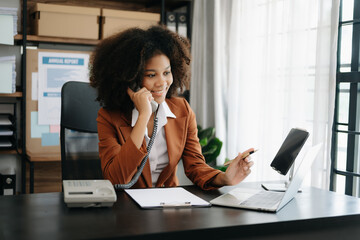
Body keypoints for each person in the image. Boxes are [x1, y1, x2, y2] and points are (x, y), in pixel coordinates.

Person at [90, 25, 254, 190]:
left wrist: (224, 178)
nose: (162, 83)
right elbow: (116, 178)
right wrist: (143, 116)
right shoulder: (108, 117)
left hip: (168, 206)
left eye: (166, 73)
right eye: (151, 75)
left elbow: (195, 166)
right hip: (127, 209)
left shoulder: (182, 110)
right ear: (130, 79)